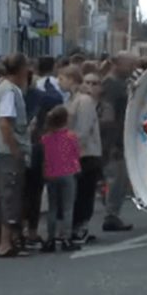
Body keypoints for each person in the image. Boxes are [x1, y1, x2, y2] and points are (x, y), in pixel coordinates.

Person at [0, 54, 30, 258]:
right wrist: (15, 148)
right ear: (20, 69)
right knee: (10, 196)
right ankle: (5, 243)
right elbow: (5, 123)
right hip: (7, 151)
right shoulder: (10, 91)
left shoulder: (0, 87)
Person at [58, 65, 102, 243]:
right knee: (75, 193)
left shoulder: (83, 101)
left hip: (86, 154)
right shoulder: (72, 99)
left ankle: (81, 227)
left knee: (84, 192)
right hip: (76, 153)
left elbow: (83, 130)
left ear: (71, 79)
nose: (59, 82)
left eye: (62, 79)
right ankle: (74, 226)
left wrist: (69, 147)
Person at [99, 53, 138, 232]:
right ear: (116, 64)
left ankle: (113, 211)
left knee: (120, 179)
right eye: (128, 64)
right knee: (116, 177)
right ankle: (111, 214)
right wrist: (113, 142)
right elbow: (109, 117)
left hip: (121, 138)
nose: (131, 68)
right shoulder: (110, 86)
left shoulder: (120, 84)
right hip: (115, 141)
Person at [40, 105, 82, 252]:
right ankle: (66, 238)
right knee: (68, 208)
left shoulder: (45, 139)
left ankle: (50, 239)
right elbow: (76, 154)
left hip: (51, 174)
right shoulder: (71, 137)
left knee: (52, 207)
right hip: (68, 173)